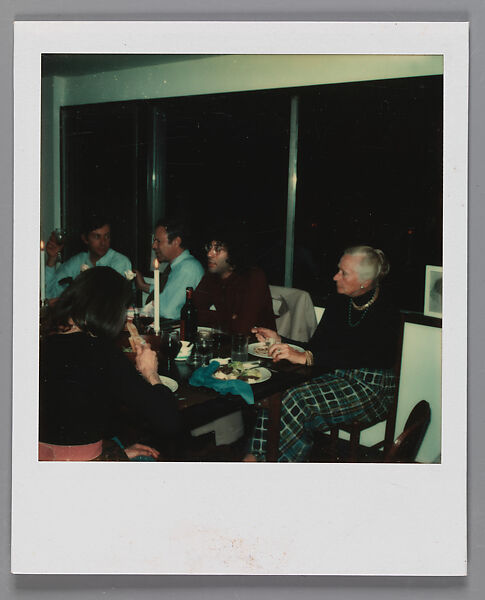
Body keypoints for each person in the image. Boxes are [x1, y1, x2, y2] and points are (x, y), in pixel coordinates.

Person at [245, 245, 400, 462]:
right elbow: (317, 346)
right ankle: (255, 458)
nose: (335, 276)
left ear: (365, 281)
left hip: (371, 388)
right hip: (335, 374)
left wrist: (309, 357)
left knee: (298, 401)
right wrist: (280, 340)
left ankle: (278, 465)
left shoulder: (387, 309)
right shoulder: (339, 300)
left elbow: (372, 356)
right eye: (338, 269)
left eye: (344, 273)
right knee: (277, 392)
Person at [39, 267, 181, 461]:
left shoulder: (42, 340)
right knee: (151, 457)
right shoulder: (101, 352)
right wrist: (151, 373)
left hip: (36, 461)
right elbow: (169, 422)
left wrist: (115, 451)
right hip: (80, 470)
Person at [192, 231, 276, 335]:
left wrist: (213, 316)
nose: (209, 254)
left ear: (233, 252)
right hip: (224, 341)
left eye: (218, 249)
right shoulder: (212, 275)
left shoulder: (253, 277)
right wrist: (229, 318)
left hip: (258, 346)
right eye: (209, 247)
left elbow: (242, 328)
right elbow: (191, 312)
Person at [45, 215, 132, 300]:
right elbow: (50, 294)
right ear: (85, 239)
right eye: (97, 237)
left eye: (107, 236)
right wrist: (52, 259)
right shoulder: (77, 261)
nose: (103, 243)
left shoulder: (120, 262)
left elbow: (106, 301)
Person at [135, 218, 204, 319]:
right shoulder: (178, 265)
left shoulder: (188, 268)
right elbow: (170, 291)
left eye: (158, 241)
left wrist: (136, 313)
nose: (154, 246)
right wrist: (144, 286)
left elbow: (168, 311)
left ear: (176, 242)